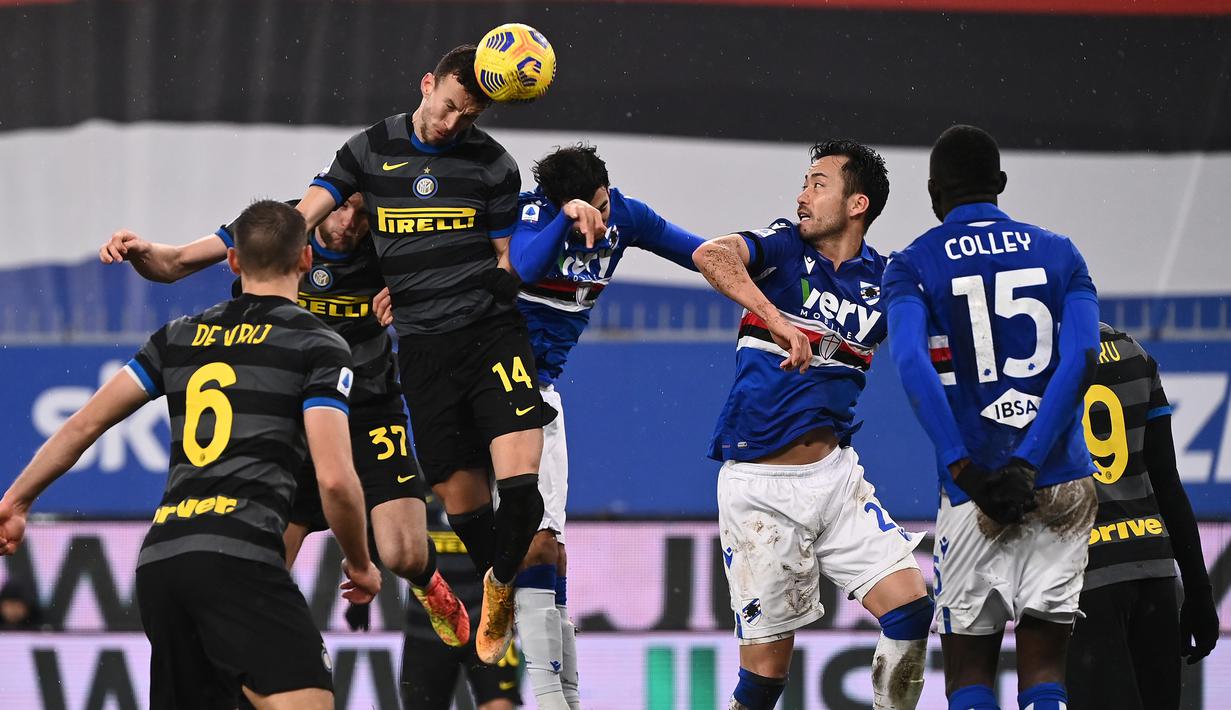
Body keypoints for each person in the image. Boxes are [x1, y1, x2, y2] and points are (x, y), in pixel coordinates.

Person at [0, 200, 382, 709]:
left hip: (163, 564)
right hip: (240, 558)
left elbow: (84, 423)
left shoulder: (178, 336)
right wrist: (360, 561)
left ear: (233, 262)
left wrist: (17, 502)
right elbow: (334, 479)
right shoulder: (318, 345)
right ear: (306, 260)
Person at [97, 192, 470, 647]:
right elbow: (174, 262)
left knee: (404, 554)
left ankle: (428, 583)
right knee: (263, 572)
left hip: (369, 408)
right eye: (342, 207)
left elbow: (456, 288)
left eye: (363, 214)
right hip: (289, 412)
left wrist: (414, 299)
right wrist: (141, 251)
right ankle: (259, 665)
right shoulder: (283, 226)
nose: (349, 222)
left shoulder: (392, 240)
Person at [294, 44, 557, 665]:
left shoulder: (494, 165)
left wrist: (560, 221)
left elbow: (507, 260)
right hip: (416, 359)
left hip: (487, 341)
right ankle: (484, 582)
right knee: (453, 520)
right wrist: (190, 256)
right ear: (425, 85)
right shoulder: (365, 154)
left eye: (470, 115)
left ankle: (499, 586)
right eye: (449, 106)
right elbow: (295, 216)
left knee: (521, 493)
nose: (453, 122)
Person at [692, 140, 931, 710]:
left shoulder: (887, 279)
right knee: (764, 681)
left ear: (857, 204)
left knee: (911, 609)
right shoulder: (782, 248)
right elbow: (710, 255)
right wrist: (774, 319)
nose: (802, 196)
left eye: (818, 184)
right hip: (760, 490)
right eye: (804, 184)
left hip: (836, 479)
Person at [882, 124, 1101, 710]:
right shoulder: (1061, 252)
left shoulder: (912, 265)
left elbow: (911, 361)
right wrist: (1028, 462)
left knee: (970, 670)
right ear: (1000, 183)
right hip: (1060, 481)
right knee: (1046, 668)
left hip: (972, 491)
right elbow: (1082, 354)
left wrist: (964, 466)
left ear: (934, 192)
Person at [505, 143, 705, 708]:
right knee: (532, 546)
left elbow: (696, 251)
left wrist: (761, 271)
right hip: (494, 396)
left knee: (553, 551)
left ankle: (565, 698)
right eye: (591, 207)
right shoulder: (529, 216)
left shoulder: (625, 216)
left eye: (604, 200)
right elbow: (523, 265)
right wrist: (565, 219)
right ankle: (548, 698)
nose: (603, 213)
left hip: (542, 397)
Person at [1066, 323, 1219, 709]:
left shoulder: (1035, 359)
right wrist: (1199, 593)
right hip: (1154, 573)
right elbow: (1167, 482)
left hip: (1084, 582)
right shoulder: (1132, 351)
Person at [403, 497, 523, 710]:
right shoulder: (413, 491)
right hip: (426, 629)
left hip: (487, 622)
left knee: (499, 706)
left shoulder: (493, 491)